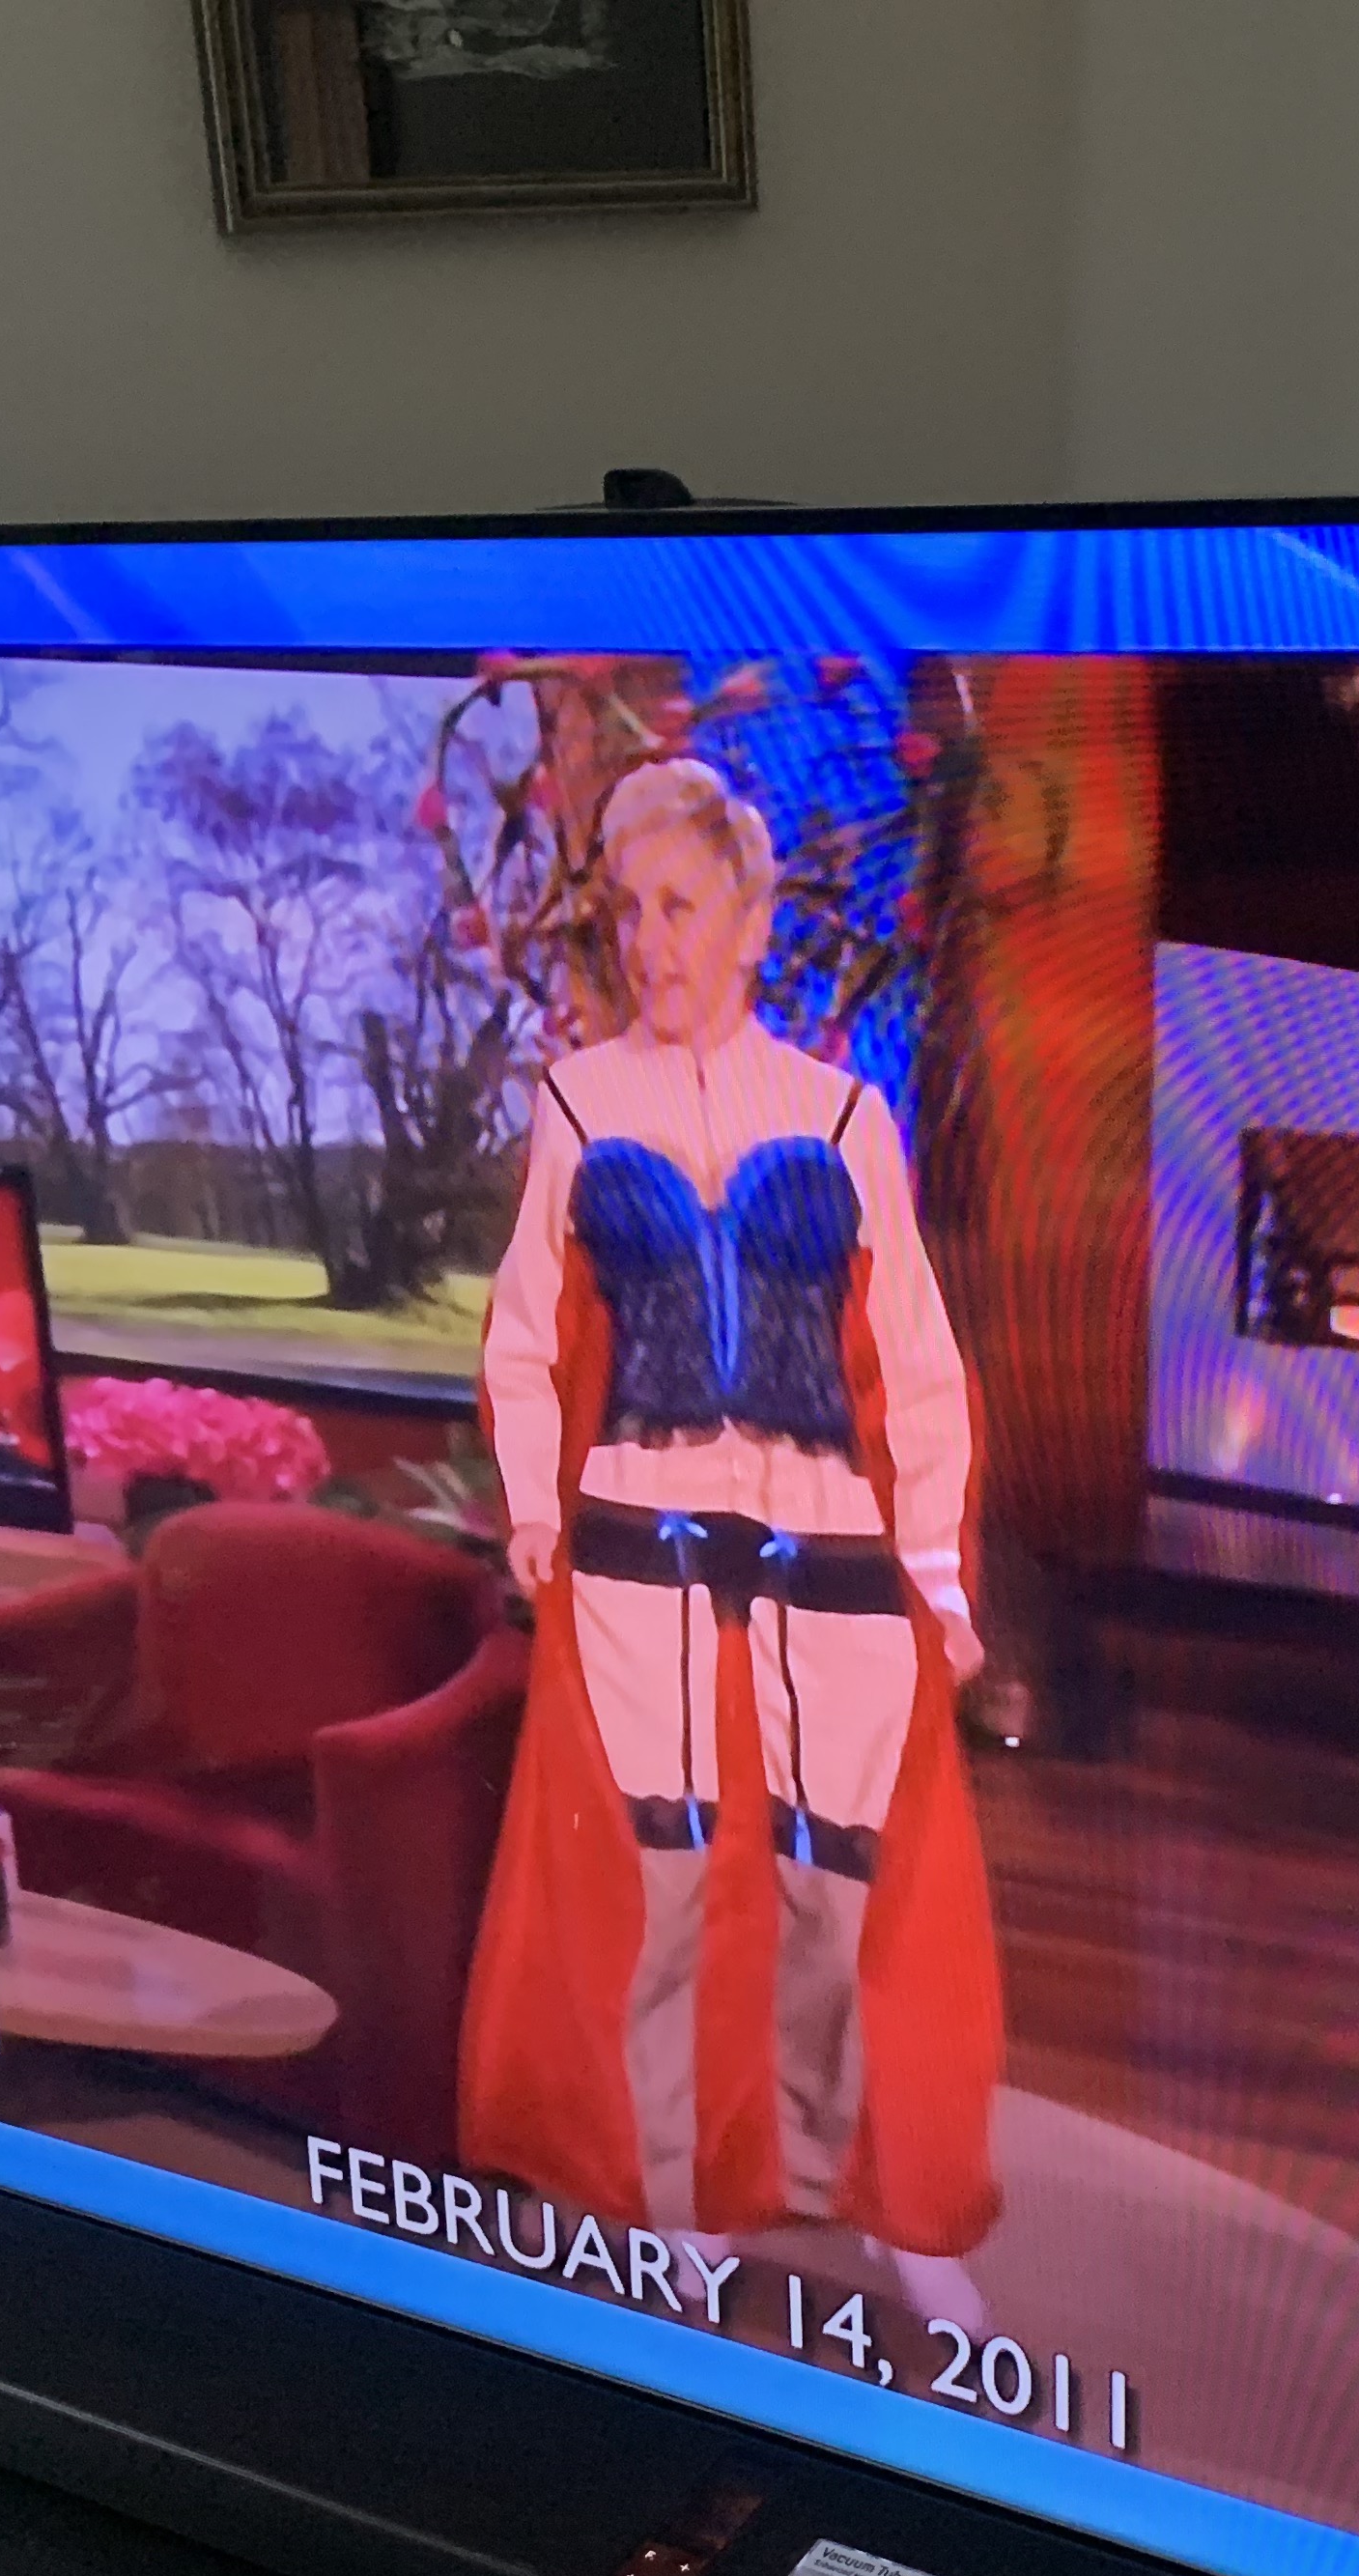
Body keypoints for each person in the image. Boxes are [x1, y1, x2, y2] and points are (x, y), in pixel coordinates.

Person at [460, 755, 1002, 2322]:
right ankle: (680, 2194)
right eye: (629, 910)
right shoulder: (580, 1104)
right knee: (671, 1882)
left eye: (682, 905)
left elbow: (914, 1356)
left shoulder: (845, 1114)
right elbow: (524, 1339)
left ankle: (874, 2191)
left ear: (753, 919)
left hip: (833, 1550)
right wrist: (536, 1509)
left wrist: (938, 1570)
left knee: (846, 1885)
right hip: (641, 1547)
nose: (652, 940)